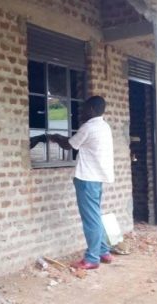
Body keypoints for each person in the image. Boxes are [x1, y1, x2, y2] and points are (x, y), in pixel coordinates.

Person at [48, 95, 115, 270]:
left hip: (86, 179)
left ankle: (92, 258)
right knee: (95, 216)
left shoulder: (88, 127)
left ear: (91, 110)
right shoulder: (104, 126)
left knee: (90, 219)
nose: (81, 111)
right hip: (98, 178)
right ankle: (103, 251)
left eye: (84, 108)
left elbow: (70, 145)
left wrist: (54, 137)